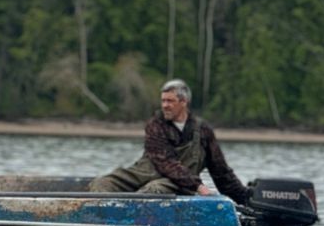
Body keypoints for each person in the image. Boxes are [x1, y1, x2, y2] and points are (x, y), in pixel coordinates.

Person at [90, 78, 249, 204]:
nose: (165, 106)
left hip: (179, 185)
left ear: (183, 102)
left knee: (154, 190)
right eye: (163, 101)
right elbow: (165, 163)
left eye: (170, 101)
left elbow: (221, 172)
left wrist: (245, 198)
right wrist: (199, 187)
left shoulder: (203, 131)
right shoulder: (155, 125)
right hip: (143, 174)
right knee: (101, 184)